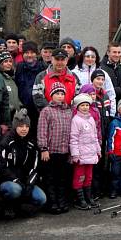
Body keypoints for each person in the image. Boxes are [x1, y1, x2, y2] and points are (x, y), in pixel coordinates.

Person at [0, 109, 47, 218]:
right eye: (21, 126)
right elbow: (1, 168)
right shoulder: (6, 142)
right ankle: (7, 205)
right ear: (15, 126)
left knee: (41, 198)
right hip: (9, 181)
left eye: (27, 126)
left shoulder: (32, 142)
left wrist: (29, 184)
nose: (24, 129)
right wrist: (16, 181)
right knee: (15, 190)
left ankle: (21, 208)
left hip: (24, 180)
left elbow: (35, 167)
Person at [37, 82, 73, 214]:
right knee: (51, 178)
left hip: (64, 150)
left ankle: (62, 201)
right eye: (57, 93)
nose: (60, 96)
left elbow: (72, 132)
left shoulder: (68, 111)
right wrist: (43, 148)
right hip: (51, 151)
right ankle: (52, 203)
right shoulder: (46, 111)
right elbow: (42, 131)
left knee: (62, 178)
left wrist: (71, 151)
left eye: (62, 93)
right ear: (51, 95)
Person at [69, 93, 100, 209]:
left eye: (87, 105)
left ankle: (88, 197)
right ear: (77, 107)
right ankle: (79, 200)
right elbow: (74, 138)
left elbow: (95, 136)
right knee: (79, 177)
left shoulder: (91, 119)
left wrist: (98, 149)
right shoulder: (76, 120)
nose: (85, 107)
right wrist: (75, 154)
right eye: (82, 105)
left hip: (91, 154)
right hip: (81, 156)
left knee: (88, 177)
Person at [15, 41, 47, 132]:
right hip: (23, 108)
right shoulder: (19, 67)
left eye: (32, 52)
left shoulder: (42, 67)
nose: (29, 55)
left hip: (39, 109)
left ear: (36, 54)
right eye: (26, 53)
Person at [0, 51, 22, 120]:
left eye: (10, 61)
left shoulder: (11, 79)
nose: (9, 64)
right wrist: (10, 109)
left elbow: (15, 96)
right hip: (3, 117)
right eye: (5, 61)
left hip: (15, 117)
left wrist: (21, 106)